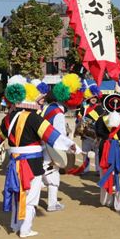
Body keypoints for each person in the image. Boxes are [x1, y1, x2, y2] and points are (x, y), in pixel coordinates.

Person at [0, 75, 78, 238]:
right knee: (31, 196)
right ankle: (26, 229)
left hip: (14, 161)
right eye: (39, 100)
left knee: (18, 193)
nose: (41, 103)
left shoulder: (8, 118)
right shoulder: (34, 118)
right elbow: (53, 136)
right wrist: (71, 146)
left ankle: (16, 225)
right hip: (32, 162)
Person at [36, 75, 82, 212]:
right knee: (52, 174)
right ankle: (51, 203)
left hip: (42, 145)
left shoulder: (48, 107)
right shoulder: (58, 113)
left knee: (41, 173)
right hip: (51, 147)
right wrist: (71, 146)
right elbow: (59, 135)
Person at [73, 82, 104, 175]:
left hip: (96, 134)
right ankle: (85, 169)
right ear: (89, 98)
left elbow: (102, 120)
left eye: (95, 98)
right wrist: (79, 121)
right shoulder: (84, 107)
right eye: (92, 98)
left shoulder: (100, 109)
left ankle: (98, 169)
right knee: (85, 152)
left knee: (97, 153)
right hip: (86, 134)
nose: (93, 99)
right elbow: (78, 118)